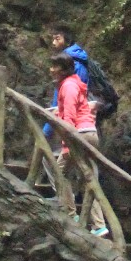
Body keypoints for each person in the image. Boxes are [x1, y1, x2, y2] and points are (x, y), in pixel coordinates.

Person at [49, 52, 107, 234]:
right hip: (88, 133)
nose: (51, 70)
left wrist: (67, 144)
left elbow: (70, 116)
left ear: (63, 69)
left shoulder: (69, 86)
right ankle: (99, 226)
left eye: (54, 67)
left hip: (79, 135)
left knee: (59, 172)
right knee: (88, 178)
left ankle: (70, 212)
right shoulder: (73, 84)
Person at [48, 27, 118, 130]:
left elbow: (66, 96)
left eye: (57, 39)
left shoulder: (74, 63)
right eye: (53, 39)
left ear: (67, 41)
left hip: (82, 117)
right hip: (88, 112)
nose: (54, 43)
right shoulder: (78, 58)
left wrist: (48, 129)